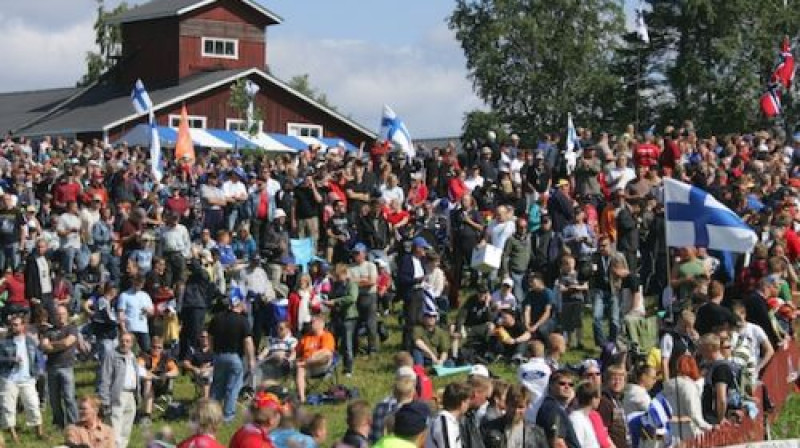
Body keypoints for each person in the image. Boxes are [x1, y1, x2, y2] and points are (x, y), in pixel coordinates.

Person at [207, 292, 256, 422]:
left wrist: (213, 352)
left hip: (219, 356)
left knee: (216, 386)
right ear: (239, 303)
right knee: (232, 387)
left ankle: (211, 414)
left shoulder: (217, 318)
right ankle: (228, 416)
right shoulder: (242, 321)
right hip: (235, 357)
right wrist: (251, 360)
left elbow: (210, 337)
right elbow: (248, 342)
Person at [0, 314, 44, 442]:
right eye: (12, 325)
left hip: (27, 378)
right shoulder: (4, 342)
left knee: (33, 404)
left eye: (16, 324)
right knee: (8, 407)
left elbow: (38, 357)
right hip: (9, 378)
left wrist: (37, 372)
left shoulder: (30, 341)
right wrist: (11, 359)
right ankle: (14, 436)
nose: (13, 327)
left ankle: (39, 432)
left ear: (23, 326)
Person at [39, 304, 79, 429]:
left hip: (67, 367)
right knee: (54, 400)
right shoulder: (48, 331)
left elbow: (68, 342)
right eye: (58, 314)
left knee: (69, 397)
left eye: (63, 314)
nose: (60, 316)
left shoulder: (72, 328)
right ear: (54, 316)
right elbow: (44, 347)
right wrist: (59, 345)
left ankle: (74, 424)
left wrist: (52, 345)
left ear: (67, 315)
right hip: (51, 367)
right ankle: (59, 424)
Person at [98, 332, 138, 448]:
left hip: (131, 395)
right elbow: (105, 378)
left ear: (132, 344)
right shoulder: (111, 355)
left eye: (127, 341)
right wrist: (104, 399)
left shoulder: (133, 356)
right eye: (122, 341)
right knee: (115, 427)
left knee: (126, 427)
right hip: (117, 394)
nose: (124, 343)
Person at [662, 354, 712, 443]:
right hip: (688, 434)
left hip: (670, 433)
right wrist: (710, 427)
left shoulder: (667, 387)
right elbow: (694, 415)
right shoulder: (689, 386)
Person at [137, 335, 179, 424]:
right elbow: (139, 369)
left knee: (149, 382)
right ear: (150, 346)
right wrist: (151, 376)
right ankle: (147, 414)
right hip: (144, 384)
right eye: (154, 347)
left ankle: (145, 413)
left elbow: (175, 371)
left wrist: (166, 374)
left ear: (162, 348)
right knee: (148, 381)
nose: (156, 349)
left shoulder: (166, 357)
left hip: (161, 384)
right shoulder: (144, 355)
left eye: (159, 347)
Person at [326, 263, 359, 377]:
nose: (337, 278)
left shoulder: (352, 284)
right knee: (331, 343)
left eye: (338, 275)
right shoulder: (335, 284)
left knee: (347, 345)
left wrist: (336, 301)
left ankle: (348, 369)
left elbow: (352, 298)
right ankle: (330, 368)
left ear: (344, 274)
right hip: (336, 317)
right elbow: (331, 296)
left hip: (348, 318)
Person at [295, 314, 335, 404]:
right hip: (307, 367)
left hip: (322, 365)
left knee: (326, 354)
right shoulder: (306, 337)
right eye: (311, 322)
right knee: (300, 368)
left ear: (321, 324)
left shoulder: (327, 336)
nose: (311, 324)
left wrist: (313, 356)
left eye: (313, 322)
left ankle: (307, 362)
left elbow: (327, 351)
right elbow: (296, 351)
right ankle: (302, 399)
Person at [536, 369, 580, 448]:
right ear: (551, 385)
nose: (567, 387)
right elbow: (557, 443)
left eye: (571, 384)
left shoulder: (557, 407)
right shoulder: (551, 408)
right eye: (562, 383)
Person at [370, 372, 417, 443]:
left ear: (394, 391)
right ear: (413, 392)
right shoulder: (415, 413)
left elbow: (374, 437)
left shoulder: (380, 407)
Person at [117, 274, 154, 352]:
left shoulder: (146, 296)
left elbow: (152, 313)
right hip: (130, 328)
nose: (139, 285)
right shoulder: (124, 295)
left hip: (143, 329)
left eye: (141, 284)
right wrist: (123, 329)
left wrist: (148, 311)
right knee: (129, 351)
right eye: (137, 283)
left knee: (147, 350)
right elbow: (121, 313)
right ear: (133, 282)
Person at [426, 382, 470, 448]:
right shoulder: (445, 423)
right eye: (467, 402)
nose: (468, 405)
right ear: (462, 403)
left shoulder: (450, 420)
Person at [597, 364, 630, 448]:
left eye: (620, 379)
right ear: (607, 381)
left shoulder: (618, 400)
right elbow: (603, 431)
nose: (617, 382)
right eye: (614, 379)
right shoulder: (604, 401)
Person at [569, 382, 602, 448]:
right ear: (592, 399)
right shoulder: (576, 419)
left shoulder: (585, 417)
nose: (599, 400)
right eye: (598, 397)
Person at [183, 331, 214, 400]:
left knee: (207, 374)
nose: (205, 339)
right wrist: (195, 368)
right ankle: (206, 401)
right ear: (199, 338)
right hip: (198, 374)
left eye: (207, 337)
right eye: (202, 337)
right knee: (205, 376)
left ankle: (205, 400)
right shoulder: (193, 350)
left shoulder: (214, 350)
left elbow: (219, 364)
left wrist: (209, 369)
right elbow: (185, 363)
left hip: (214, 374)